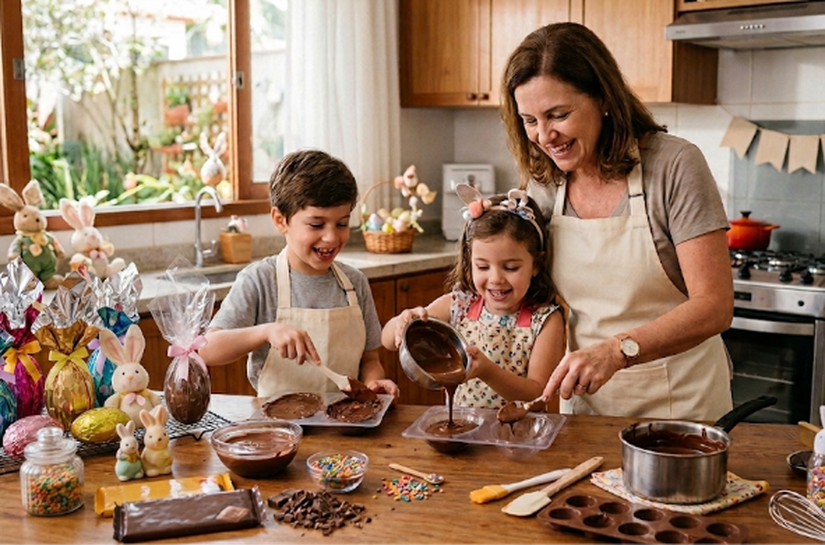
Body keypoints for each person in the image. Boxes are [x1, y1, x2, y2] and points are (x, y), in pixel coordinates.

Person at [499, 22, 733, 421]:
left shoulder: (674, 165)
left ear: (605, 99)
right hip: (589, 405)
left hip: (682, 406)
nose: (544, 136)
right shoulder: (545, 182)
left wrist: (616, 351)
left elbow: (714, 306)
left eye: (558, 114)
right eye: (530, 120)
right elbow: (519, 283)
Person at [200, 149, 399, 400]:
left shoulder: (354, 283)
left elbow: (370, 359)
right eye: (316, 224)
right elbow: (207, 349)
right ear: (280, 220)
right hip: (276, 421)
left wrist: (373, 384)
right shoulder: (260, 280)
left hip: (347, 417)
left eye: (342, 223)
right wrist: (265, 332)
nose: (331, 237)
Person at [382, 186, 565, 409]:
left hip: (521, 430)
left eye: (510, 267)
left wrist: (487, 372)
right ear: (470, 262)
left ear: (536, 264)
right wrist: (403, 322)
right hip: (465, 427)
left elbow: (538, 392)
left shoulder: (545, 320)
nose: (496, 279)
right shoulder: (460, 305)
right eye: (483, 266)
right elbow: (387, 340)